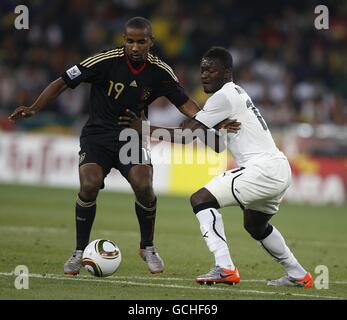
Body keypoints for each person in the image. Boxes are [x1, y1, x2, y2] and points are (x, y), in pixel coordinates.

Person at [8, 17, 240, 276]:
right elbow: (62, 81)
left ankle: (147, 247)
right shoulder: (103, 61)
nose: (135, 47)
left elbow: (186, 104)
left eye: (141, 42)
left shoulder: (160, 71)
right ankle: (78, 251)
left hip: (132, 136)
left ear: (151, 42)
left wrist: (211, 124)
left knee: (143, 183)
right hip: (97, 134)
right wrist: (34, 108)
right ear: (124, 41)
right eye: (130, 41)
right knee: (89, 183)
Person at [120, 46, 313, 288]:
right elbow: (218, 146)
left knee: (200, 199)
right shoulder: (234, 94)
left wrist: (144, 128)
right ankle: (297, 273)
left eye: (210, 70)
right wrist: (205, 127)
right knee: (255, 225)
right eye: (202, 70)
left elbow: (184, 136)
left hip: (261, 169)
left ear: (226, 72)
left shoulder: (223, 97)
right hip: (277, 169)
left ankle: (225, 267)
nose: (204, 75)